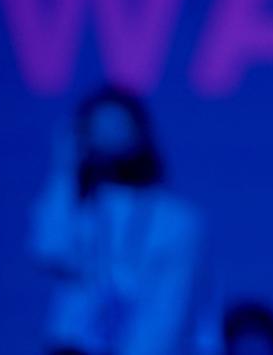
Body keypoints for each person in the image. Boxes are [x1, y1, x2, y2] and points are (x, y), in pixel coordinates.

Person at [31, 85, 219, 355]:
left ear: (141, 133)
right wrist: (64, 170)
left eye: (118, 125)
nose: (108, 136)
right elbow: (48, 251)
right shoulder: (80, 210)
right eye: (98, 127)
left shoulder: (177, 220)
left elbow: (169, 309)